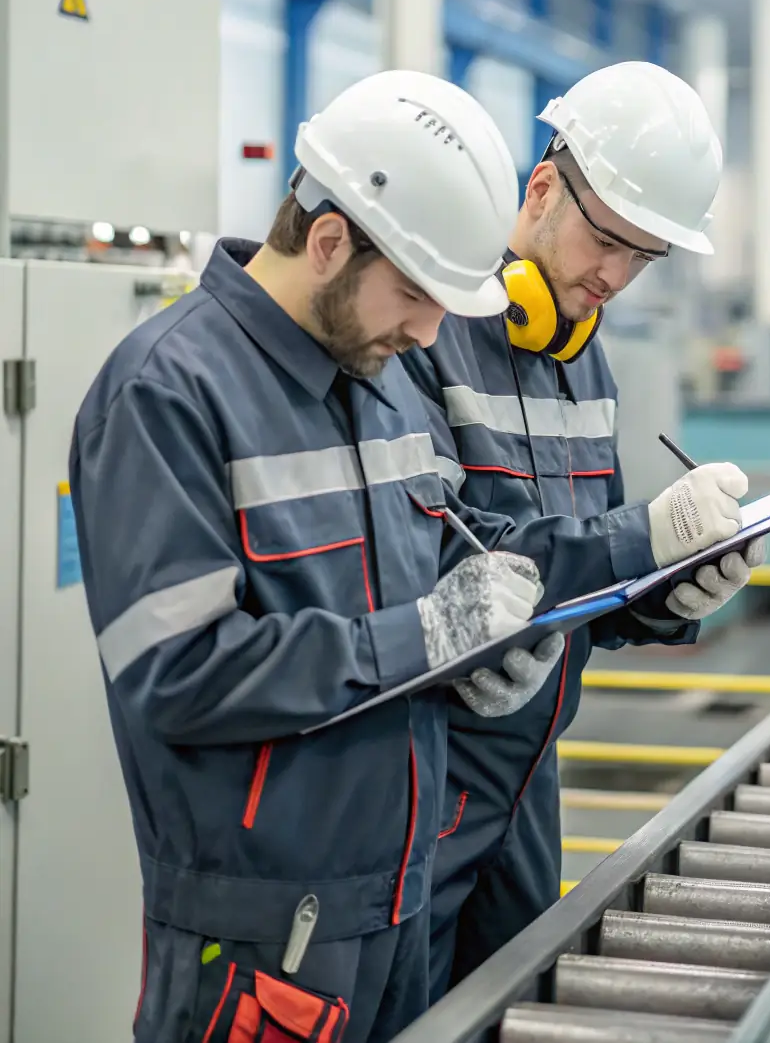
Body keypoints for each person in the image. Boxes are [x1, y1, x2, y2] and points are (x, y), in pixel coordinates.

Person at [69, 71, 667, 1043]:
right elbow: (175, 678)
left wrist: (495, 643)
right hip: (263, 935)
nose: (434, 332)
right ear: (330, 240)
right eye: (417, 295)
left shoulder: (380, 383)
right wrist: (428, 638)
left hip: (408, 893)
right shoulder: (166, 392)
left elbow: (446, 582)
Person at [400, 61, 767, 998]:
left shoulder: (582, 360)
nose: (616, 276)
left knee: (517, 1005)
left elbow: (582, 587)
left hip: (529, 780)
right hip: (425, 780)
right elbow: (442, 562)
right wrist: (640, 537)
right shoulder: (424, 329)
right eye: (609, 241)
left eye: (645, 256)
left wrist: (667, 592)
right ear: (541, 189)